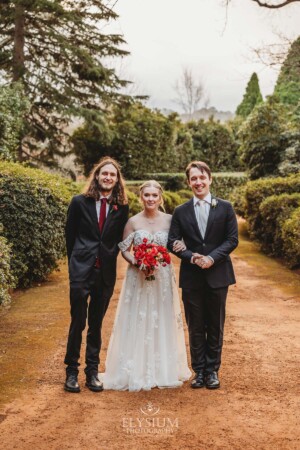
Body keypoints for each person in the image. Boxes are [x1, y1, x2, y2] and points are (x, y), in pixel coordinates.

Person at [102, 180, 191, 391]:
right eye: (146, 195)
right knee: (138, 317)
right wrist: (136, 261)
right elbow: (124, 248)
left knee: (162, 317)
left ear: (160, 197)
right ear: (141, 197)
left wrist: (181, 246)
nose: (150, 199)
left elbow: (181, 242)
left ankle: (163, 369)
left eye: (154, 195)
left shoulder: (171, 220)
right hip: (138, 277)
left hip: (162, 278)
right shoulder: (132, 222)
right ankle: (134, 369)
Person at [168, 161, 238, 390]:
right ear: (189, 182)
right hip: (191, 276)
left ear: (210, 179)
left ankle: (212, 371)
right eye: (193, 179)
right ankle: (198, 371)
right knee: (195, 324)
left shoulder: (225, 207)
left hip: (218, 274)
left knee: (215, 324)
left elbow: (231, 240)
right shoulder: (180, 211)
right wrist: (191, 256)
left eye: (202, 177)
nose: (198, 182)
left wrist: (212, 258)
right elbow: (172, 242)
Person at [64, 157, 129, 393]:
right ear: (97, 176)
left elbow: (120, 239)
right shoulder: (79, 202)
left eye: (113, 175)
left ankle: (92, 372)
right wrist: (76, 265)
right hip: (81, 271)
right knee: (78, 321)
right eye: (105, 174)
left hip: (106, 273)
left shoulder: (121, 207)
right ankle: (71, 371)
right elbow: (70, 237)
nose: (108, 177)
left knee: (96, 324)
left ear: (117, 179)